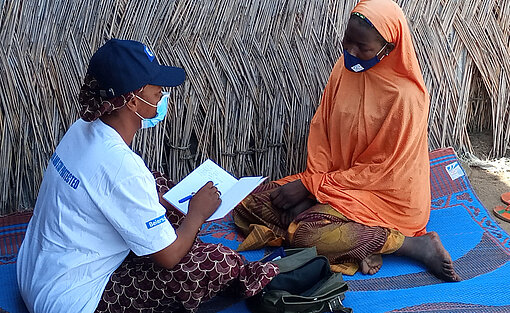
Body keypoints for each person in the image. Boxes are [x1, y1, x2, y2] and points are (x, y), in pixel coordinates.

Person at [16, 39, 279, 313]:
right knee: (215, 263)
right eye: (157, 93)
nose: (163, 97)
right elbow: (169, 258)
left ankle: (169, 231)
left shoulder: (82, 128)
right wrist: (197, 215)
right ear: (131, 101)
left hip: (35, 276)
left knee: (157, 184)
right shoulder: (122, 167)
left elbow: (119, 184)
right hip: (70, 301)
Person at [233, 0, 460, 282]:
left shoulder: (405, 97)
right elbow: (323, 131)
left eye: (362, 47)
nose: (351, 52)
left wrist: (310, 186)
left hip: (384, 197)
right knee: (249, 205)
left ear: (388, 48)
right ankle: (354, 242)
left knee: (305, 235)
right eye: (347, 41)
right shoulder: (346, 68)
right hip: (337, 184)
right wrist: (313, 183)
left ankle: (409, 244)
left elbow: (381, 172)